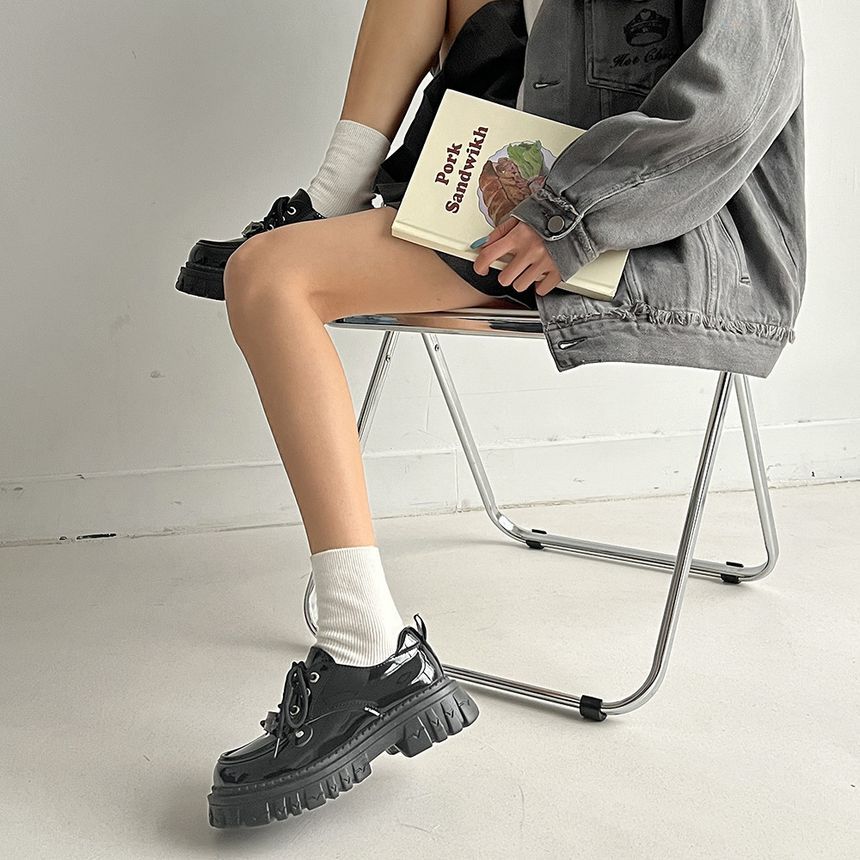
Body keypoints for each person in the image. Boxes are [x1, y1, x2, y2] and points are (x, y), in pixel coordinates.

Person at [183, 0, 805, 829]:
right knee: (270, 273)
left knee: (269, 278)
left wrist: (568, 216)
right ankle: (331, 204)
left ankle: (366, 652)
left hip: (653, 227)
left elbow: (738, 100)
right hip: (524, 188)